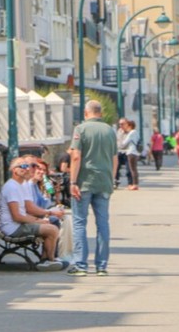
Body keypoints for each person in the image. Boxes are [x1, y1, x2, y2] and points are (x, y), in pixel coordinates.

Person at [67, 99, 117, 277]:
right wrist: (111, 179)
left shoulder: (81, 129)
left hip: (84, 182)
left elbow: (76, 157)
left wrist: (73, 182)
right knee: (103, 223)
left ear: (86, 113)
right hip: (104, 181)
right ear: (101, 113)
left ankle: (81, 265)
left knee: (80, 222)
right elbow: (114, 158)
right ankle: (101, 266)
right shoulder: (110, 131)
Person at [0, 157, 65, 271]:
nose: (27, 169)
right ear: (14, 170)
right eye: (23, 166)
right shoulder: (11, 187)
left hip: (18, 224)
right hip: (13, 228)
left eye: (27, 166)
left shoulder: (19, 185)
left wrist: (40, 220)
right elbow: (17, 216)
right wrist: (38, 220)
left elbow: (25, 210)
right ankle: (50, 260)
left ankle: (46, 260)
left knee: (50, 225)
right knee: (52, 229)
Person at [114, 118, 133, 189]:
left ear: (127, 124)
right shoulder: (119, 131)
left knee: (129, 169)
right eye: (119, 124)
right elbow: (117, 140)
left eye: (122, 124)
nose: (120, 125)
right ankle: (116, 181)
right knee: (116, 167)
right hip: (119, 151)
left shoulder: (131, 132)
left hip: (128, 152)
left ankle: (130, 183)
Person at [123, 119, 141, 190]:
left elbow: (124, 142)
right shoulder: (136, 132)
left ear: (130, 125)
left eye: (127, 125)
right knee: (135, 169)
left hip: (131, 152)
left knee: (132, 169)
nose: (126, 126)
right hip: (136, 152)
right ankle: (136, 184)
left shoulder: (131, 133)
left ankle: (134, 184)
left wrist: (119, 145)